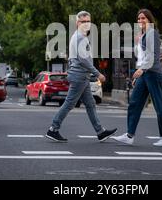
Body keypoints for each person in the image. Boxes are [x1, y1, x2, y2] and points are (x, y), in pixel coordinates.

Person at [46, 11, 117, 142]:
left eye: (88, 22)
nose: (86, 24)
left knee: (90, 104)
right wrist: (98, 73)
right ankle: (53, 129)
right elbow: (84, 60)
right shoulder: (80, 37)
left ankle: (100, 132)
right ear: (78, 23)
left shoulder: (79, 36)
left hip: (81, 76)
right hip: (79, 76)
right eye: (83, 22)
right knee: (69, 104)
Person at [112, 9, 162, 147]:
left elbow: (152, 56)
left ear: (150, 20)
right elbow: (142, 56)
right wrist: (138, 73)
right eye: (139, 19)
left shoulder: (152, 34)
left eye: (143, 18)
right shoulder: (144, 35)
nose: (140, 21)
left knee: (159, 106)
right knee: (134, 104)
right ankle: (129, 135)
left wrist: (141, 69)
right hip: (144, 74)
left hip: (153, 73)